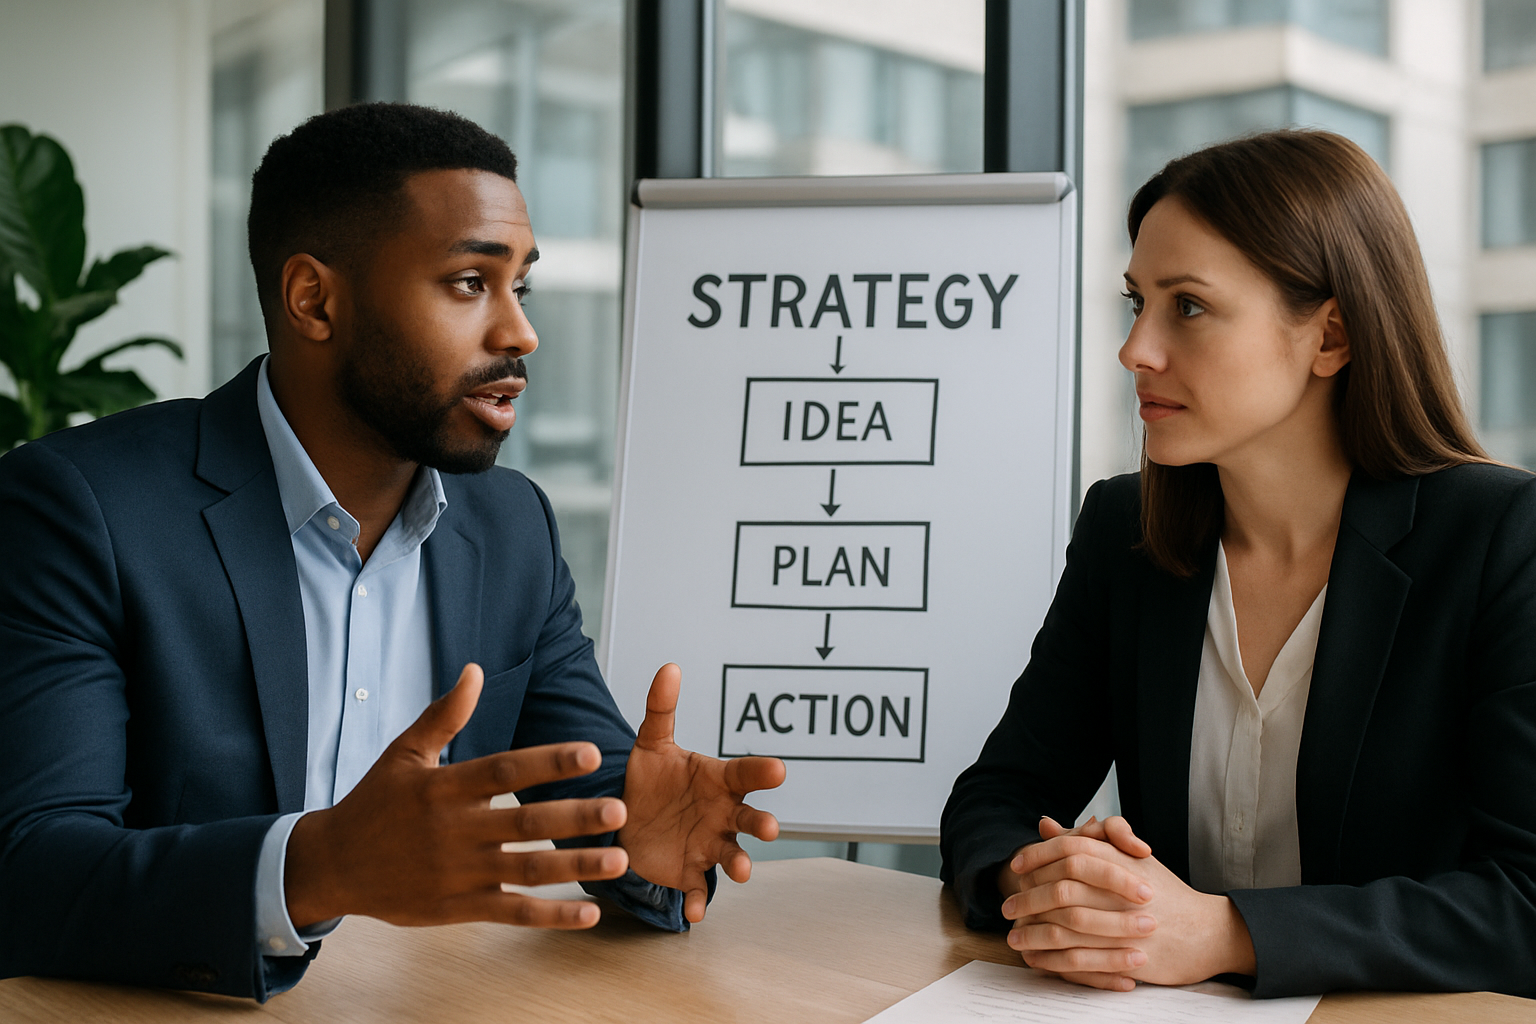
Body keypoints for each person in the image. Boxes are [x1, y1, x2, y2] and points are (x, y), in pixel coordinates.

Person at [0, 102, 785, 1001]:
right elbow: (30, 873)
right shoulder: (84, 509)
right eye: (467, 283)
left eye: (519, 286)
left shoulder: (510, 526)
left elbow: (599, 795)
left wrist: (642, 847)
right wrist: (317, 866)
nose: (520, 333)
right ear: (314, 300)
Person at [940, 129, 1536, 998]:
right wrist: (1040, 882)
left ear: (1330, 336)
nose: (1135, 349)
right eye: (1135, 300)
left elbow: (1524, 903)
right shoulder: (1125, 530)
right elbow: (996, 798)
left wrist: (1225, 933)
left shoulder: (1500, 539)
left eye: (1187, 306)